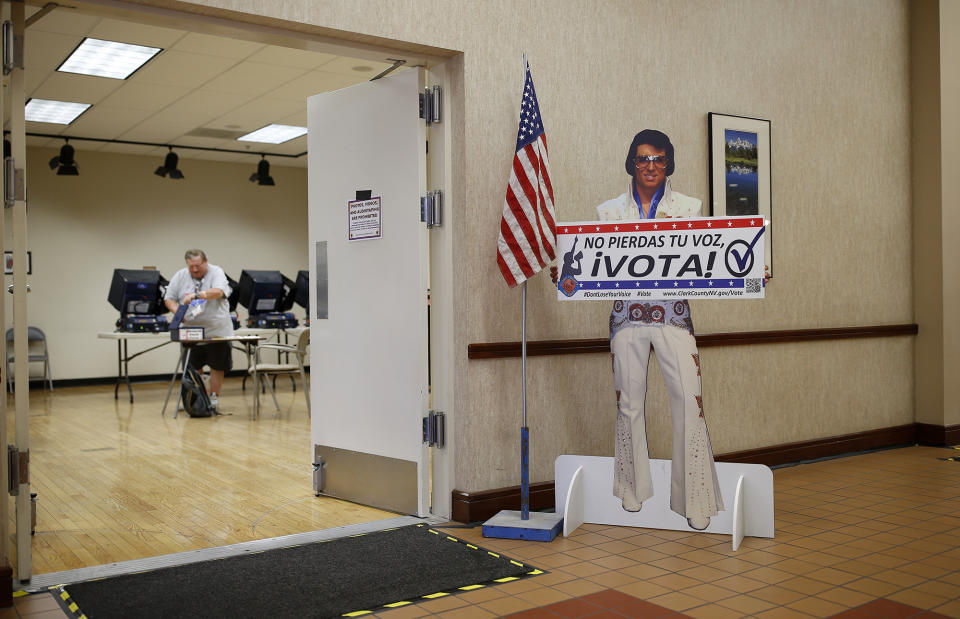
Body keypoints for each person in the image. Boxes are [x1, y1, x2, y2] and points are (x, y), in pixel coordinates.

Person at [554, 129, 723, 530]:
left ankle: (695, 501)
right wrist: (564, 274)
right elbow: (591, 265)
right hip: (626, 317)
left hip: (674, 315)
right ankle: (631, 492)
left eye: (659, 159)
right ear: (632, 161)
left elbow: (710, 255)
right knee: (628, 405)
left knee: (689, 401)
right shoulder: (608, 211)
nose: (651, 166)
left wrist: (750, 272)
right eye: (644, 159)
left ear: (669, 164)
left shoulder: (689, 206)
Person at [164, 249, 233, 411]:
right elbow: (169, 298)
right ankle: (198, 398)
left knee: (217, 365)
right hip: (191, 329)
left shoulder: (217, 272)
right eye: (191, 267)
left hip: (216, 330)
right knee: (193, 366)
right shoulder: (180, 275)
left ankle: (214, 399)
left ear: (205, 261)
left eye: (198, 266)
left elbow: (218, 292)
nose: (195, 270)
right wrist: (178, 313)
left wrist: (196, 296)